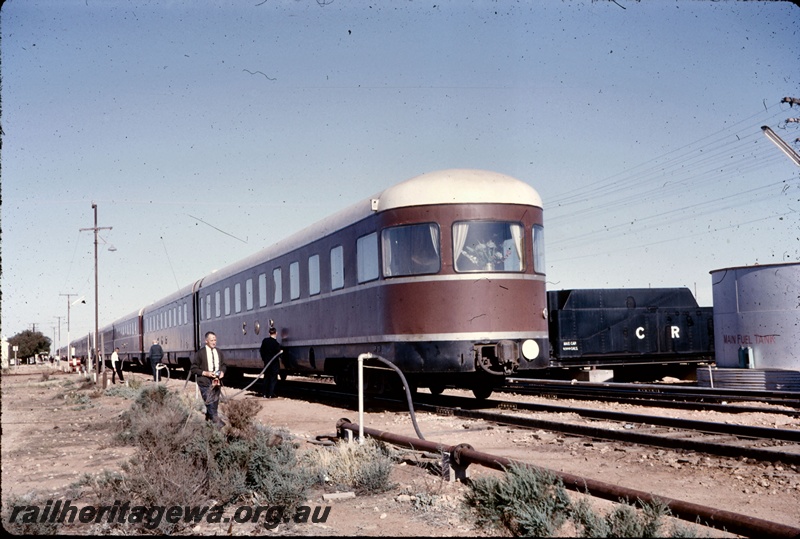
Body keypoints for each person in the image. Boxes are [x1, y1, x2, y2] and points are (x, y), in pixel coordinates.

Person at [190, 331, 227, 427]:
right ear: (206, 341)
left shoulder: (219, 352)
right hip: (205, 382)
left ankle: (208, 424)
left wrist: (222, 372)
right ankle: (218, 424)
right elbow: (193, 369)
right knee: (210, 403)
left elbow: (223, 365)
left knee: (214, 404)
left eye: (215, 340)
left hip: (217, 382)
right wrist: (206, 373)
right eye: (211, 340)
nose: (214, 342)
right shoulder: (200, 353)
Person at [259, 326, 282, 398]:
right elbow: (279, 354)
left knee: (266, 378)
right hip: (274, 364)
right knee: (273, 379)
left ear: (269, 333)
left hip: (266, 363)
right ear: (276, 333)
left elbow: (261, 350)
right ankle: (270, 394)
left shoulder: (265, 341)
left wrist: (264, 359)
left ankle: (264, 393)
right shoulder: (276, 344)